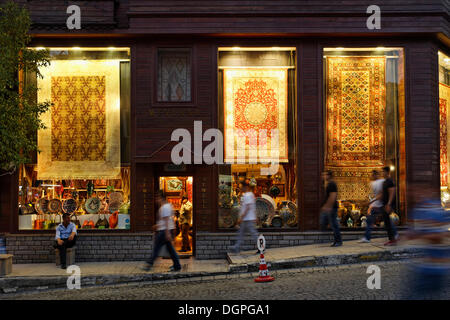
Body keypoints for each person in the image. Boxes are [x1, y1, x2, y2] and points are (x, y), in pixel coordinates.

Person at [142, 190, 181, 272]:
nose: (156, 200)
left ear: (161, 197)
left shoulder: (165, 207)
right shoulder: (168, 206)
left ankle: (149, 263)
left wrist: (167, 234)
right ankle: (177, 265)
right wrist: (157, 226)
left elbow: (166, 220)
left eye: (157, 197)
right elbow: (167, 220)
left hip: (164, 231)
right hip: (166, 230)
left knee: (157, 248)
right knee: (170, 249)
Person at [230, 181, 259, 254]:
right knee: (241, 233)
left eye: (241, 187)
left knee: (253, 234)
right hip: (247, 219)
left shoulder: (248, 195)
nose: (240, 188)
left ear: (245, 187)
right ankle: (237, 247)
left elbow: (248, 207)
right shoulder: (248, 195)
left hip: (248, 219)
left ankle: (261, 247)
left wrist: (241, 217)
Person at [359, 170, 385, 243]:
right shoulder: (373, 183)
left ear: (377, 175)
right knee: (369, 220)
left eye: (373, 175)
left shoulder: (381, 182)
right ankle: (367, 237)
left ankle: (367, 237)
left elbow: (381, 194)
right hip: (375, 205)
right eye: (371, 175)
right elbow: (374, 195)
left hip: (380, 205)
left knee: (386, 220)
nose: (372, 176)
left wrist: (371, 202)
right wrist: (370, 204)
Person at [320, 170, 343, 247]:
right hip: (330, 208)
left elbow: (332, 197)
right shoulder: (329, 184)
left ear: (329, 175)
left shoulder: (332, 184)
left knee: (334, 225)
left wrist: (328, 207)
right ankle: (337, 240)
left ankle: (338, 241)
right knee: (332, 224)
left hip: (332, 208)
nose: (323, 176)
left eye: (324, 174)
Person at [381, 166, 398, 246]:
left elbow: (392, 192)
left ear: (387, 172)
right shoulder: (385, 182)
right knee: (387, 221)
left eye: (383, 172)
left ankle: (392, 239)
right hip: (385, 204)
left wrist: (389, 204)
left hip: (388, 205)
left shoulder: (390, 181)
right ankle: (394, 237)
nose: (382, 173)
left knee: (388, 222)